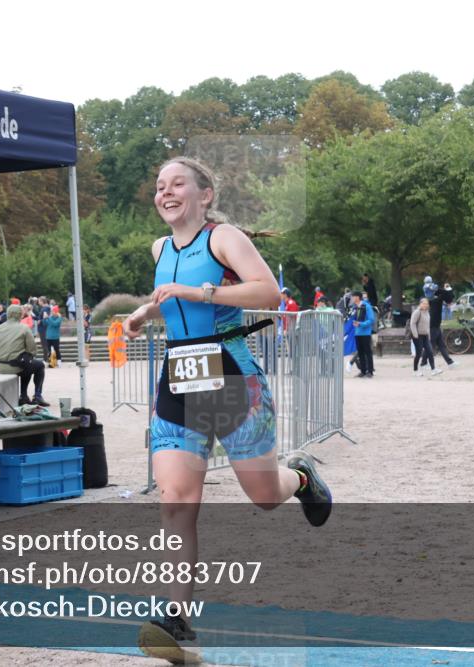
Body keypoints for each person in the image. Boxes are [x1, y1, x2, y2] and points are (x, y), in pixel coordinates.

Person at [122, 157, 332, 662]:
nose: (165, 193)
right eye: (159, 186)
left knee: (262, 495)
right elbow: (175, 301)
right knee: (175, 499)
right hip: (178, 379)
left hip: (232, 376)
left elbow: (268, 292)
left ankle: (299, 477)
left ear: (205, 194)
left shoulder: (223, 238)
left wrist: (197, 290)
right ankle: (177, 618)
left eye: (177, 184)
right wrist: (146, 311)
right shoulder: (159, 248)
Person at [0, 304, 48, 405]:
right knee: (38, 365)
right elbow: (32, 350)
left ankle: (24, 396)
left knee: (26, 363)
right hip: (17, 366)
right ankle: (36, 396)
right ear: (19, 315)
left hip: (1, 366)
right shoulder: (24, 328)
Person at [428, 284, 457, 368]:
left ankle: (450, 363)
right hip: (433, 326)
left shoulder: (436, 298)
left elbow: (449, 298)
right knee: (430, 345)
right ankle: (423, 363)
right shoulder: (434, 299)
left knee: (441, 345)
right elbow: (448, 297)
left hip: (436, 325)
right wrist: (447, 289)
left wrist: (445, 289)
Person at [410, 298, 440, 377]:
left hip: (425, 336)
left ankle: (433, 369)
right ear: (420, 304)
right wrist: (415, 334)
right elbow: (412, 323)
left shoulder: (427, 313)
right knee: (418, 353)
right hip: (418, 336)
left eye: (426, 304)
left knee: (430, 352)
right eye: (424, 303)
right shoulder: (417, 312)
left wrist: (428, 335)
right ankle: (415, 370)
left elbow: (427, 326)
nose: (425, 305)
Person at [351, 291, 374, 377]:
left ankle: (370, 371)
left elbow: (371, 320)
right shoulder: (355, 307)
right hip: (357, 333)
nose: (352, 299)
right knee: (360, 353)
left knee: (367, 352)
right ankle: (363, 371)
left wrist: (361, 324)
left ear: (357, 297)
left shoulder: (366, 306)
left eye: (353, 297)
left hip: (365, 333)